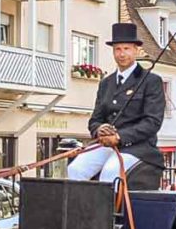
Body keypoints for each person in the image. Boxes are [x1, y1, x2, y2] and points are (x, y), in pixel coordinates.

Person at [68, 22, 166, 187]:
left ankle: (109, 213)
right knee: (76, 169)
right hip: (106, 145)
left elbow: (152, 122)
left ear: (136, 50)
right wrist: (99, 129)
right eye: (117, 49)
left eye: (126, 49)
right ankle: (82, 212)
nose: (122, 54)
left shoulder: (151, 81)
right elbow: (95, 119)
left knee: (111, 172)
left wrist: (119, 137)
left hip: (138, 148)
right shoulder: (106, 83)